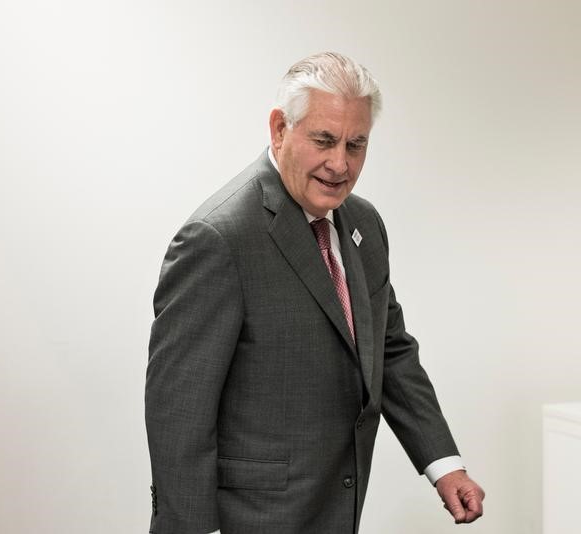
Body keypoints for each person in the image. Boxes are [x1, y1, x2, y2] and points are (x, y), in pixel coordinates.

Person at [144, 52, 484, 533]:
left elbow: (388, 348)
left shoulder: (363, 223)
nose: (340, 163)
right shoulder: (218, 238)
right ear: (280, 129)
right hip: (251, 520)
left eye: (356, 144)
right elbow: (179, 414)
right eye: (324, 140)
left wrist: (443, 463)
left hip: (336, 509)